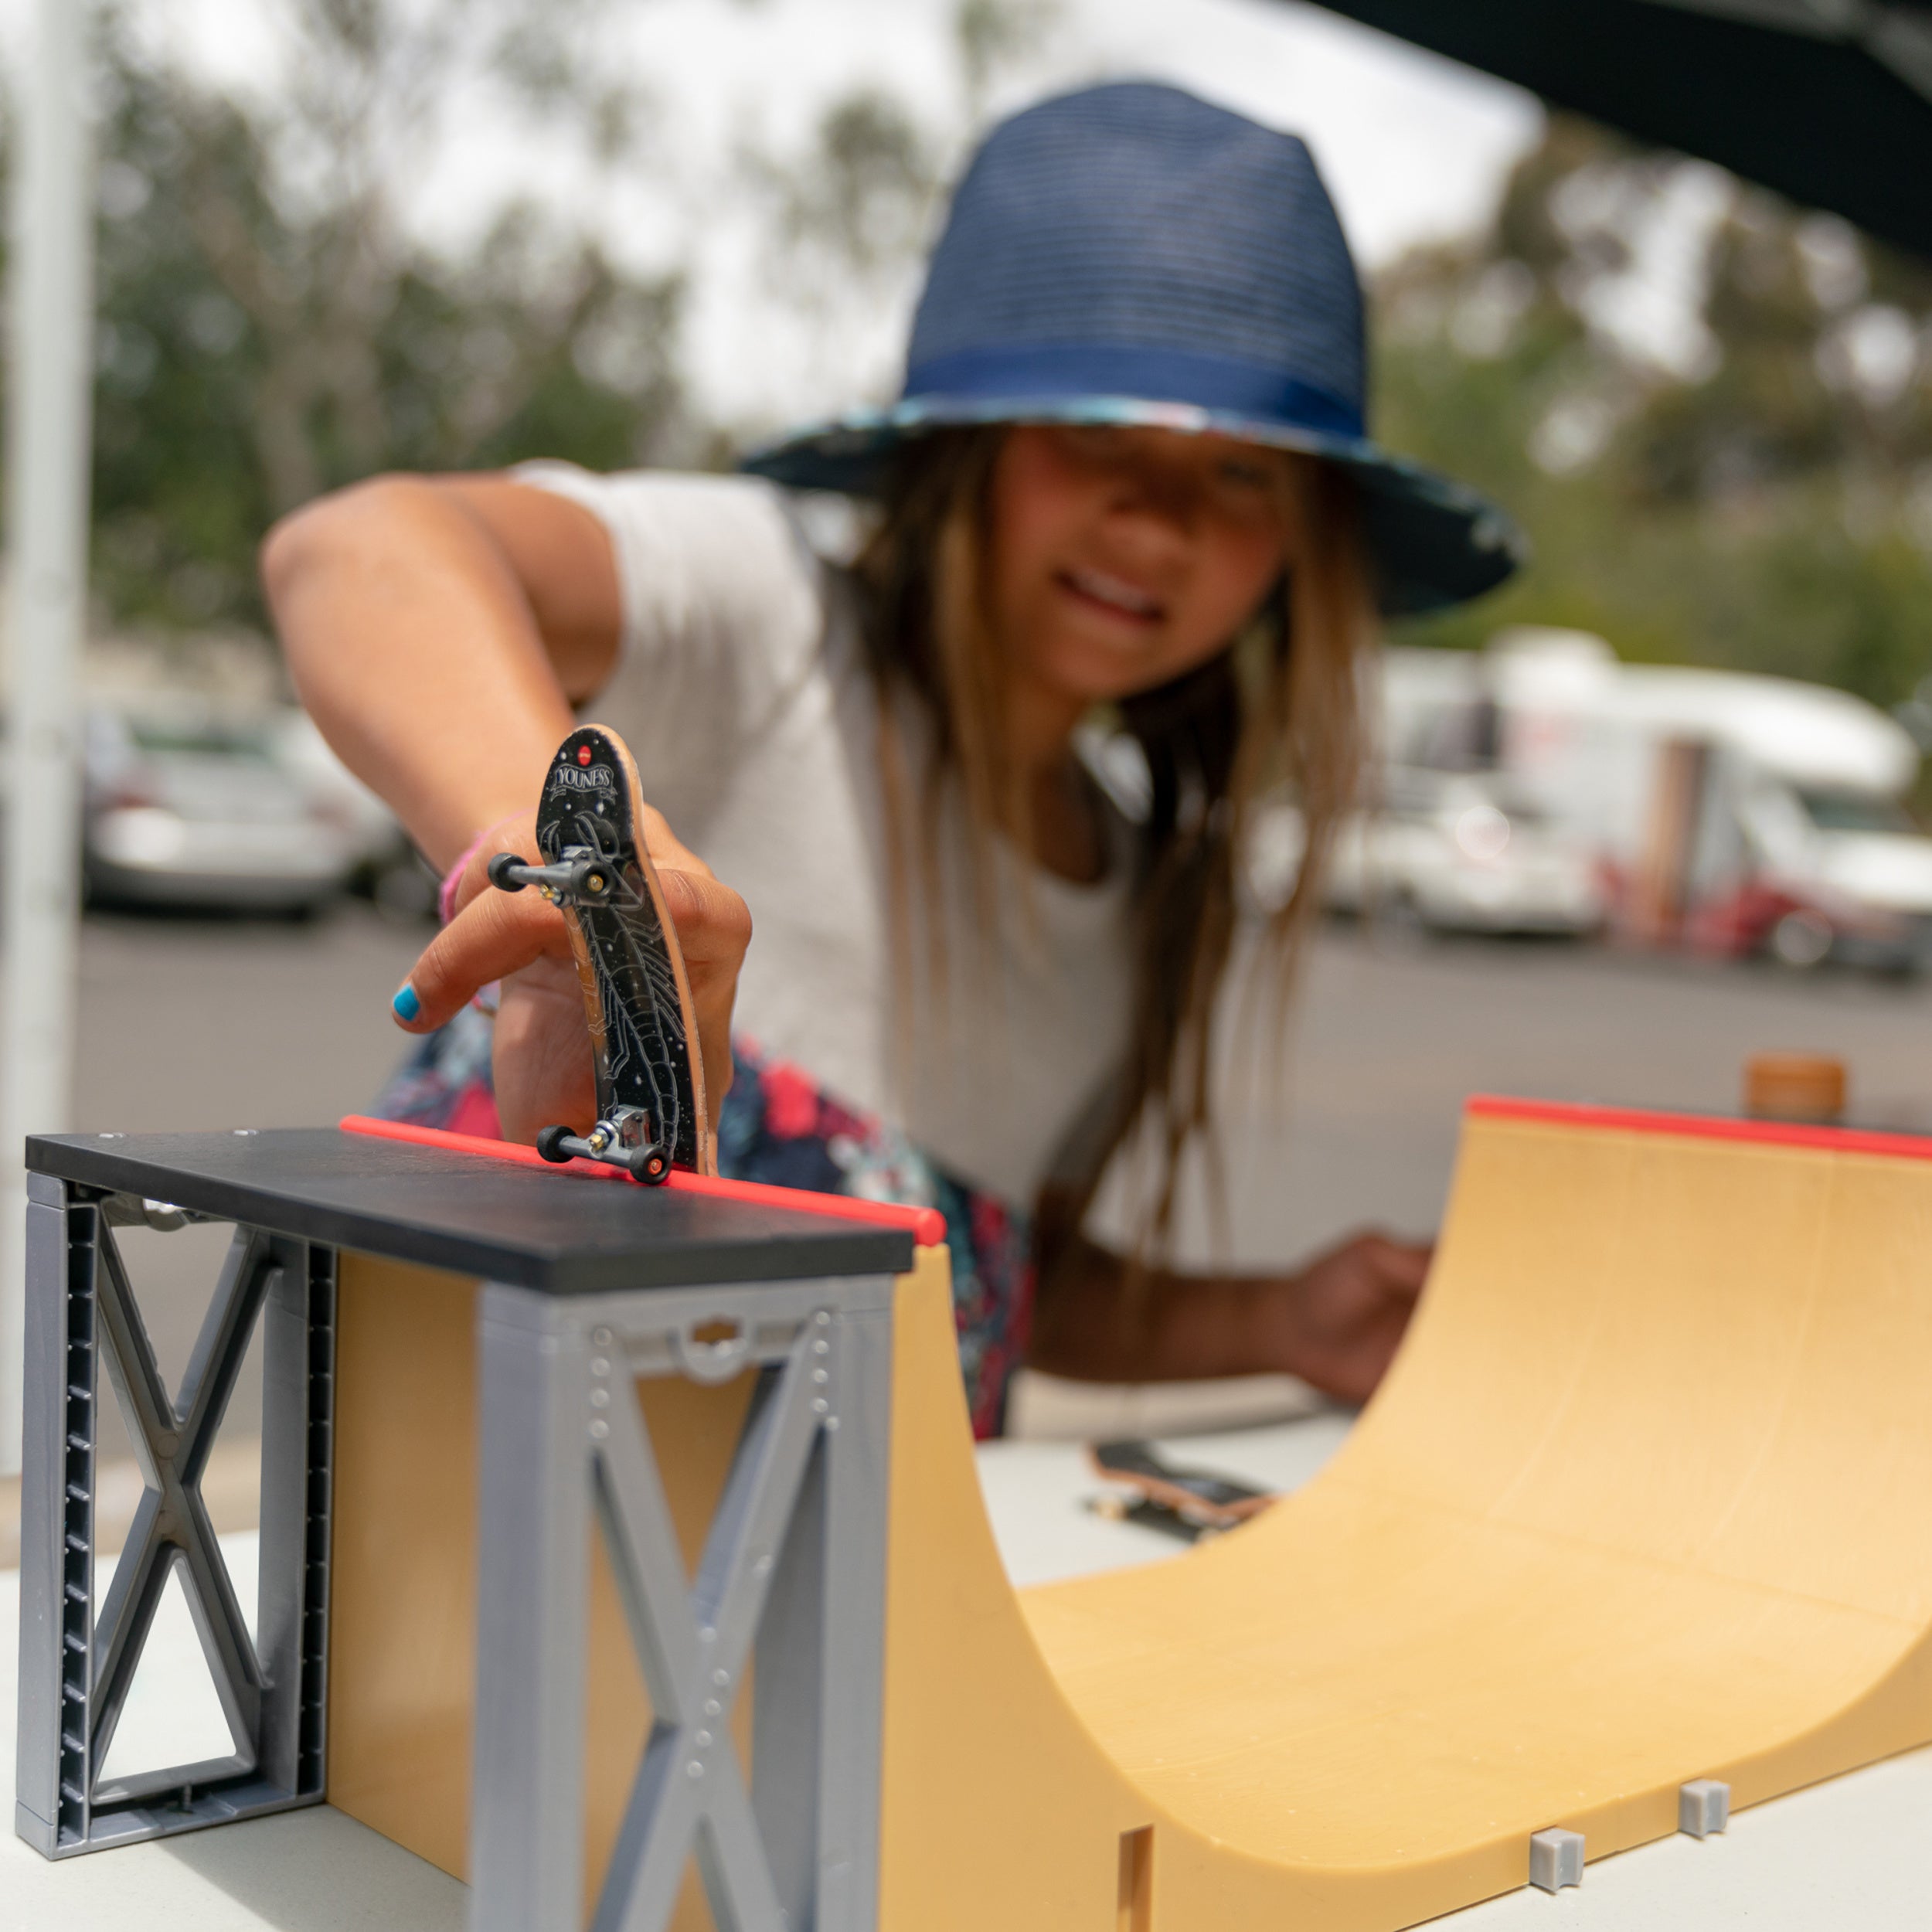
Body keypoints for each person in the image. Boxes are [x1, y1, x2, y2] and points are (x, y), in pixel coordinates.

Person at [263, 82, 1519, 1435]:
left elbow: (992, 1268)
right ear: (957, 457)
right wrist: (566, 862)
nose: (1156, 524)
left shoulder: (1136, 889)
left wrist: (1276, 1317)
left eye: (1245, 476)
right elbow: (360, 554)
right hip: (481, 1530)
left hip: (862, 1605)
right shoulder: (776, 615)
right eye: (1097, 437)